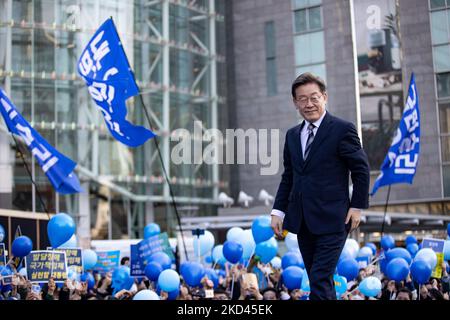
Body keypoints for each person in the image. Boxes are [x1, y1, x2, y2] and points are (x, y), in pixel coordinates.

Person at [270, 72, 370, 300]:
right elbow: (289, 177)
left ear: (325, 97)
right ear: (295, 102)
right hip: (304, 221)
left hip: (335, 219)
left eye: (314, 97)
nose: (309, 104)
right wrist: (278, 211)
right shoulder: (293, 135)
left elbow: (361, 169)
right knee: (319, 280)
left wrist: (357, 206)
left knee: (319, 277)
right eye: (302, 99)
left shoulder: (342, 129)